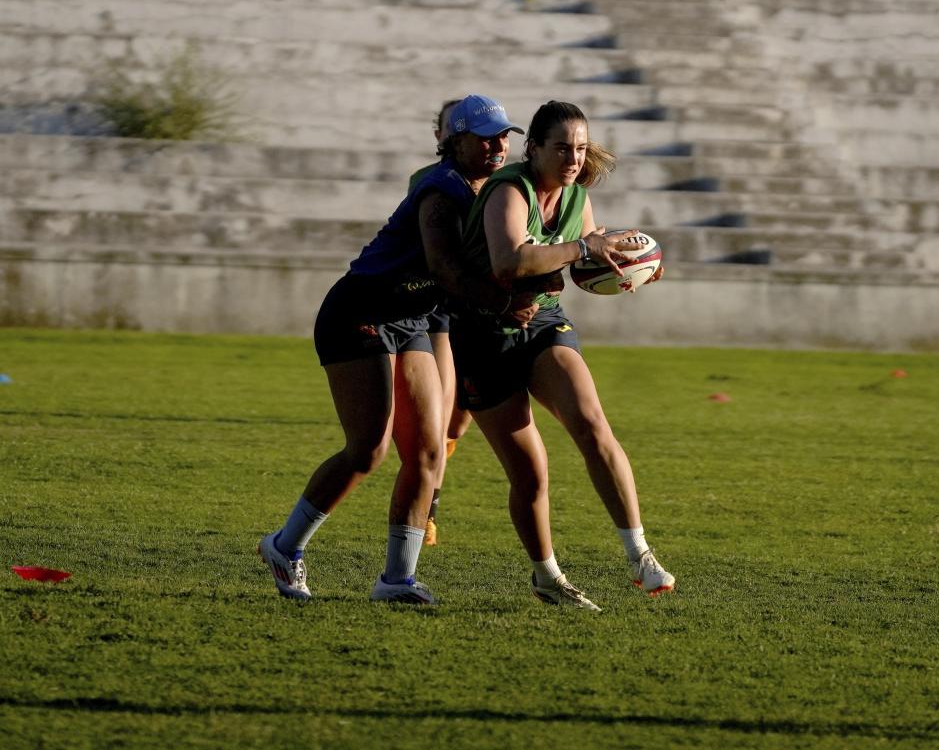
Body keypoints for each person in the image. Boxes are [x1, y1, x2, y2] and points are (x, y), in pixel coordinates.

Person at [258, 95, 526, 602]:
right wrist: (504, 301)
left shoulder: (488, 189)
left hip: (412, 317)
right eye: (486, 136)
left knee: (427, 451)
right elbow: (446, 269)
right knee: (368, 449)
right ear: (456, 142)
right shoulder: (442, 189)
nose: (499, 145)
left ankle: (397, 579)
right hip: (359, 312)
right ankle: (284, 545)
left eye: (504, 136)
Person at [451, 100, 675, 612]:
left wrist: (629, 267)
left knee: (592, 424)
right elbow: (512, 261)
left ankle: (639, 553)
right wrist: (585, 248)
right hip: (481, 335)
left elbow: (581, 267)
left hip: (543, 322)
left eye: (579, 147)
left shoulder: (577, 195)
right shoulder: (510, 191)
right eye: (561, 148)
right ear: (534, 148)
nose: (573, 158)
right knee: (530, 473)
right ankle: (547, 576)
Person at [408, 99, 476, 547]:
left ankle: (431, 486)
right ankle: (428, 509)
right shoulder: (429, 182)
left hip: (479, 305)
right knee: (445, 409)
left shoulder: (502, 182)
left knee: (461, 418)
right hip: (440, 305)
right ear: (444, 137)